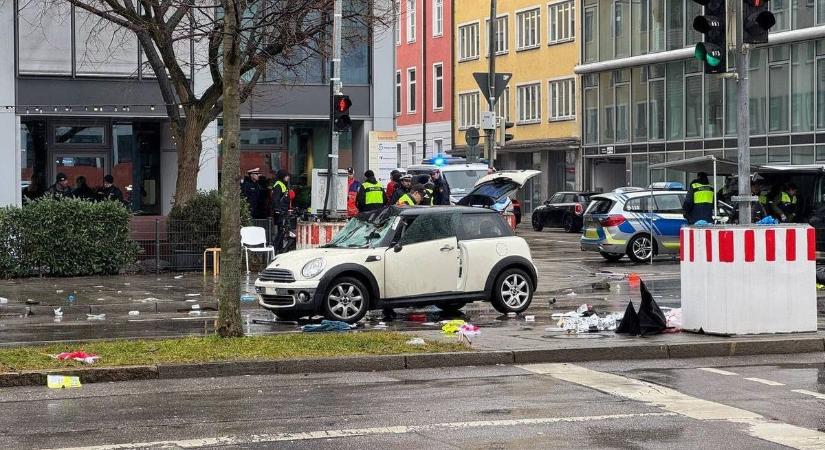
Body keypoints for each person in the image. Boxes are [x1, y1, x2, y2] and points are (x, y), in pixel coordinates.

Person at [272, 169, 291, 253]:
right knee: (280, 231)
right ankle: (275, 248)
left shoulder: (284, 184)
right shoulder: (278, 185)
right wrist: (278, 209)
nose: (288, 177)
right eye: (287, 176)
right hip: (280, 212)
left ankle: (278, 248)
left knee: (282, 231)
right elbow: (275, 199)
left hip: (284, 210)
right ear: (283, 176)